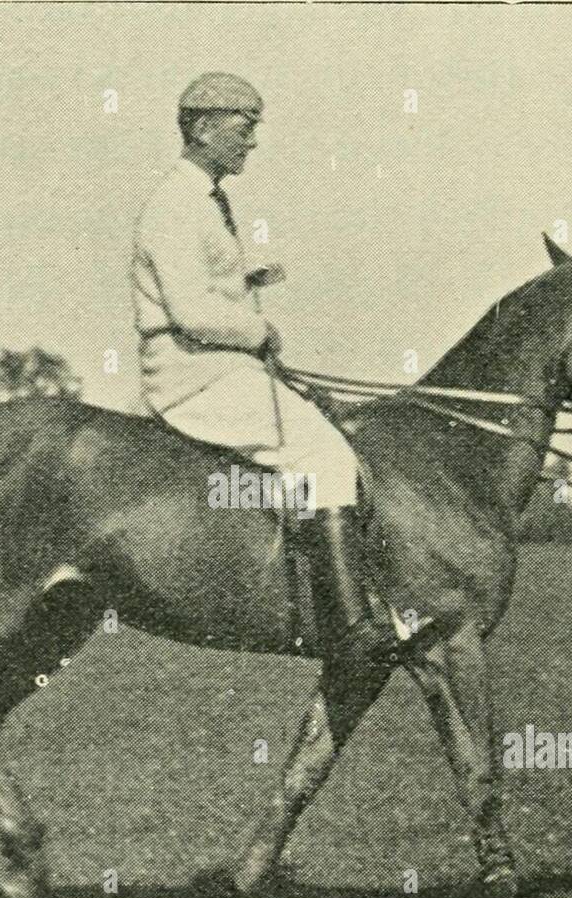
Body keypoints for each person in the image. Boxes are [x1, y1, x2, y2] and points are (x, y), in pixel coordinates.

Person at [132, 72, 400, 661]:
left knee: (329, 433)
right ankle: (349, 626)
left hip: (221, 366)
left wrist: (247, 285)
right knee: (323, 454)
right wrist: (258, 328)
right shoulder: (175, 204)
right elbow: (192, 311)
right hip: (193, 371)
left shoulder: (205, 199)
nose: (253, 141)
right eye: (244, 127)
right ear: (203, 128)